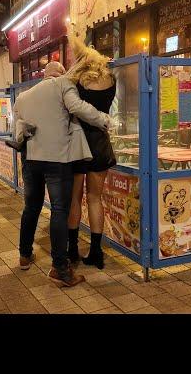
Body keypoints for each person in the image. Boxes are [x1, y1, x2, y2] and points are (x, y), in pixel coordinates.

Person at [13, 61, 111, 287]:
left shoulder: (24, 96)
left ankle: (24, 255)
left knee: (31, 207)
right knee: (59, 210)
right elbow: (78, 108)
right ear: (59, 73)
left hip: (31, 159)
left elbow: (19, 126)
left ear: (44, 75)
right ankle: (60, 268)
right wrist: (104, 119)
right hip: (57, 159)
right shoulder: (63, 84)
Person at [66, 39, 117, 270]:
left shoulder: (76, 82)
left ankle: (73, 250)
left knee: (75, 199)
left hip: (78, 144)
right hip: (100, 143)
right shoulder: (111, 80)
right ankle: (96, 252)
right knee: (96, 198)